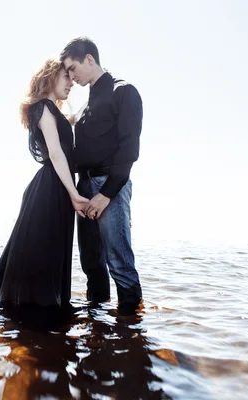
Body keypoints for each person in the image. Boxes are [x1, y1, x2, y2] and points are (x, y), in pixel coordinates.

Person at [0, 59, 88, 310]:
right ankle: (34, 314)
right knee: (42, 249)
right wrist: (73, 193)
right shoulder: (42, 107)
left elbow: (69, 122)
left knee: (51, 250)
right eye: (66, 77)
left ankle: (42, 313)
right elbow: (55, 152)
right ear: (51, 77)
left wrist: (95, 92)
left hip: (58, 187)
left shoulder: (53, 111)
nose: (71, 83)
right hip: (51, 188)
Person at [60, 37, 144, 314]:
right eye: (67, 73)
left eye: (73, 68)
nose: (71, 77)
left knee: (118, 261)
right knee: (91, 264)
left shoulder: (124, 92)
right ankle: (96, 332)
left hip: (110, 186)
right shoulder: (84, 107)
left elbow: (129, 150)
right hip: (83, 188)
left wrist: (105, 194)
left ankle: (131, 332)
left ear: (89, 59)